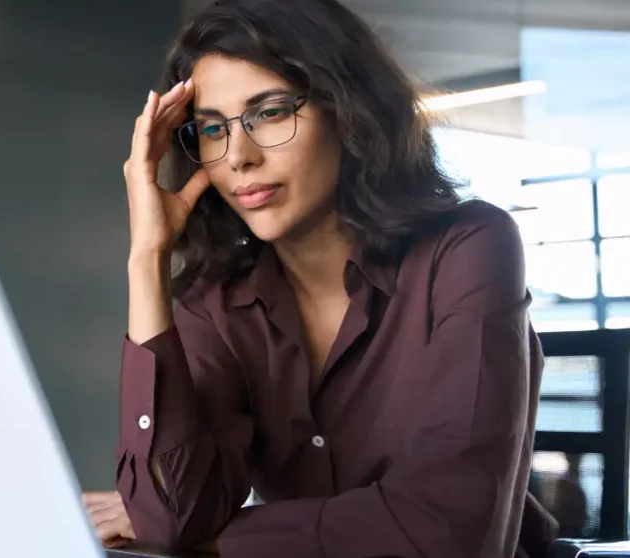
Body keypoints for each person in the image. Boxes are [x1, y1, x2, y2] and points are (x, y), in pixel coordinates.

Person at [81, 0, 560, 557]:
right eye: (212, 128)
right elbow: (169, 514)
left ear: (347, 108)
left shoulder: (469, 247)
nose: (238, 157)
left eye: (270, 112)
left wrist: (218, 535)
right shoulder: (215, 303)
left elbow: (449, 534)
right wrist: (147, 255)